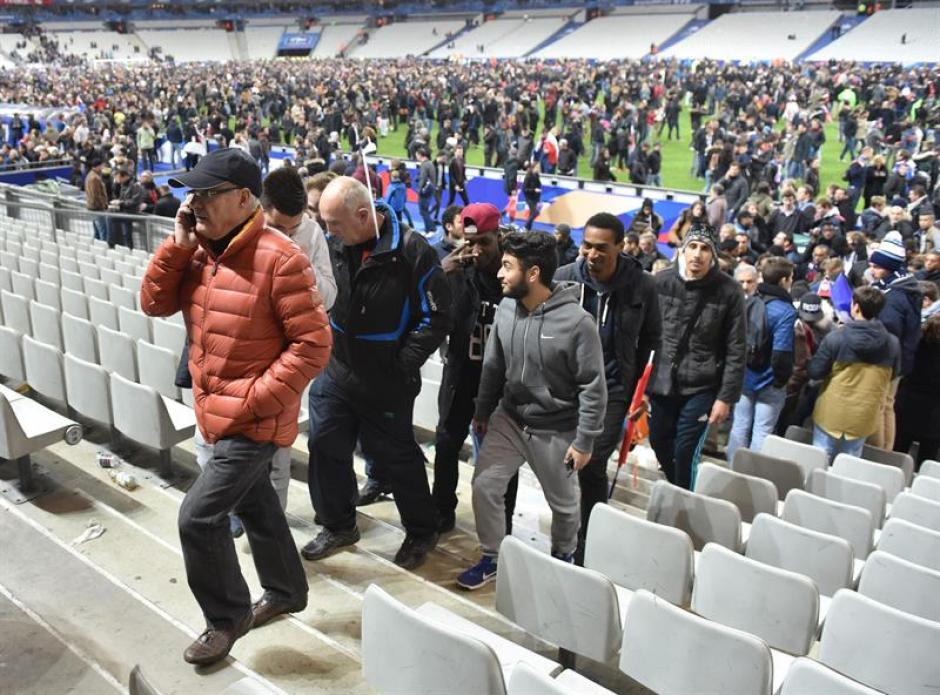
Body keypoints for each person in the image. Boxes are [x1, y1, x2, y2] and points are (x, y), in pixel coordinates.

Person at [140, 148, 332, 666]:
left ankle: (226, 618)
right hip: (215, 409)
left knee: (197, 519)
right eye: (193, 193)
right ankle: (288, 589)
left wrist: (254, 399)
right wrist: (177, 248)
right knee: (257, 504)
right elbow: (153, 302)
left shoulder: (282, 257)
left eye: (207, 193)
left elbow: (313, 345)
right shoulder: (197, 250)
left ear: (244, 198)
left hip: (253, 420)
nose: (195, 202)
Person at [303, 177, 451, 570]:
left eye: (334, 223)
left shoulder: (413, 251)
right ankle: (338, 524)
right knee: (324, 445)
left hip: (386, 379)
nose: (328, 231)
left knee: (396, 457)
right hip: (336, 369)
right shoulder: (331, 241)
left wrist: (402, 363)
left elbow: (436, 316)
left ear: (363, 215)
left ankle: (422, 530)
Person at [457, 232, 606, 589]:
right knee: (485, 487)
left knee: (566, 507)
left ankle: (563, 557)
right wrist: (482, 410)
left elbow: (593, 386)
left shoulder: (578, 323)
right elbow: (493, 364)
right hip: (510, 418)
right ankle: (493, 556)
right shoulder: (507, 306)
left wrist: (584, 442)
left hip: (557, 428)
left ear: (534, 273)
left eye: (508, 267)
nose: (499, 274)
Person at [554, 212, 661, 563]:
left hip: (613, 387)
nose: (592, 254)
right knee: (563, 464)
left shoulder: (642, 285)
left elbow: (651, 338)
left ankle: (588, 539)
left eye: (601, 247)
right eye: (587, 246)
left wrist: (639, 388)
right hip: (566, 385)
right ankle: (567, 531)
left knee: (593, 462)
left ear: (620, 246)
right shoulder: (564, 278)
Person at [433, 203, 516, 533]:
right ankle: (442, 512)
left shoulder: (515, 272)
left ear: (498, 236)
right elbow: (430, 311)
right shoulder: (456, 271)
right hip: (461, 372)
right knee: (446, 442)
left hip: (502, 383)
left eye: (484, 241)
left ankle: (502, 524)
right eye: (470, 242)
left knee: (502, 457)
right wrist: (441, 273)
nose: (476, 250)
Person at [647, 223, 747, 489]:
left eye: (705, 249)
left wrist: (725, 398)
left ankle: (683, 501)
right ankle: (676, 488)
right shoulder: (660, 282)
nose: (698, 254)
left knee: (685, 449)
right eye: (692, 246)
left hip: (703, 385)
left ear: (713, 255)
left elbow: (736, 348)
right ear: (682, 249)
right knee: (658, 441)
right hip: (661, 382)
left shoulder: (730, 291)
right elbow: (646, 334)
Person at [808, 286, 900, 461]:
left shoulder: (836, 338)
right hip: (863, 417)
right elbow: (893, 375)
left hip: (831, 414)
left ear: (855, 307)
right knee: (849, 466)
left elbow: (815, 372)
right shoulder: (893, 344)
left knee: (818, 464)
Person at [726, 257, 797, 461]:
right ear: (784, 280)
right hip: (769, 380)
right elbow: (781, 352)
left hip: (744, 374)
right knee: (762, 431)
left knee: (739, 426)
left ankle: (733, 470)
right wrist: (781, 380)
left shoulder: (747, 301)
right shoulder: (785, 311)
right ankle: (751, 478)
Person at [868, 231, 923, 450]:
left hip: (888, 361)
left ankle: (879, 452)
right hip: (901, 359)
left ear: (888, 266)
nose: (872, 270)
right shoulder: (905, 286)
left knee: (881, 406)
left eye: (876, 266)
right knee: (888, 405)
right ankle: (887, 450)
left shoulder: (893, 298)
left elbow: (888, 331)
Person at [894, 314, 940, 468]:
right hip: (934, 416)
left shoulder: (914, 346)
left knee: (897, 455)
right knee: (927, 463)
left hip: (906, 406)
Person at [107, 167, 141, 249]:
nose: (116, 179)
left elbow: (134, 201)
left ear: (124, 176)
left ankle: (127, 248)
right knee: (111, 219)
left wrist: (120, 203)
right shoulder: (123, 184)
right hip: (124, 211)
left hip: (130, 212)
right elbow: (123, 198)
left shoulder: (135, 185)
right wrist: (118, 202)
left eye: (117, 177)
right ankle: (114, 244)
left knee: (127, 233)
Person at [84, 156, 109, 241]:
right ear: (98, 166)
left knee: (97, 230)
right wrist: (104, 205)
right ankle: (103, 248)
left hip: (92, 207)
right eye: (102, 166)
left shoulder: (90, 175)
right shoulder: (95, 178)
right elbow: (96, 195)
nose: (103, 168)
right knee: (103, 230)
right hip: (97, 208)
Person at [416, 147, 437, 234]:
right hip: (430, 189)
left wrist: (419, 189)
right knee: (425, 210)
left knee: (423, 211)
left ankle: (429, 229)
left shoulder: (424, 165)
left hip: (425, 191)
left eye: (417, 155)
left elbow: (423, 178)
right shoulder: (430, 163)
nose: (416, 157)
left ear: (421, 155)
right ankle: (431, 228)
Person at [522, 161, 542, 231]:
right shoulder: (528, 176)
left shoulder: (536, 175)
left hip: (535, 198)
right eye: (538, 167)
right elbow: (524, 189)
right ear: (534, 167)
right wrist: (534, 190)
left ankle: (528, 228)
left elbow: (538, 186)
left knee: (532, 213)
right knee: (535, 212)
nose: (539, 168)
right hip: (529, 197)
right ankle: (526, 226)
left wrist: (538, 198)